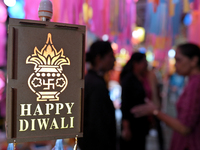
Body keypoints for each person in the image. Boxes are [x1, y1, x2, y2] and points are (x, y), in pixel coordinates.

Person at [132, 43, 200, 150]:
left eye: (179, 60)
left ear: (194, 61)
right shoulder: (192, 81)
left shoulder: (196, 83)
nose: (175, 65)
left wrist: (155, 111)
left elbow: (184, 128)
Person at [78, 40, 116, 150]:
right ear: (99, 58)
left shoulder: (91, 80)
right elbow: (97, 124)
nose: (114, 60)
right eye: (110, 56)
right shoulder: (96, 84)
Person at [120, 52, 150, 150]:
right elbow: (125, 104)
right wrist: (126, 127)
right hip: (133, 122)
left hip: (140, 123)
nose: (146, 65)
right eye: (144, 62)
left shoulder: (143, 78)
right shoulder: (129, 80)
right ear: (136, 64)